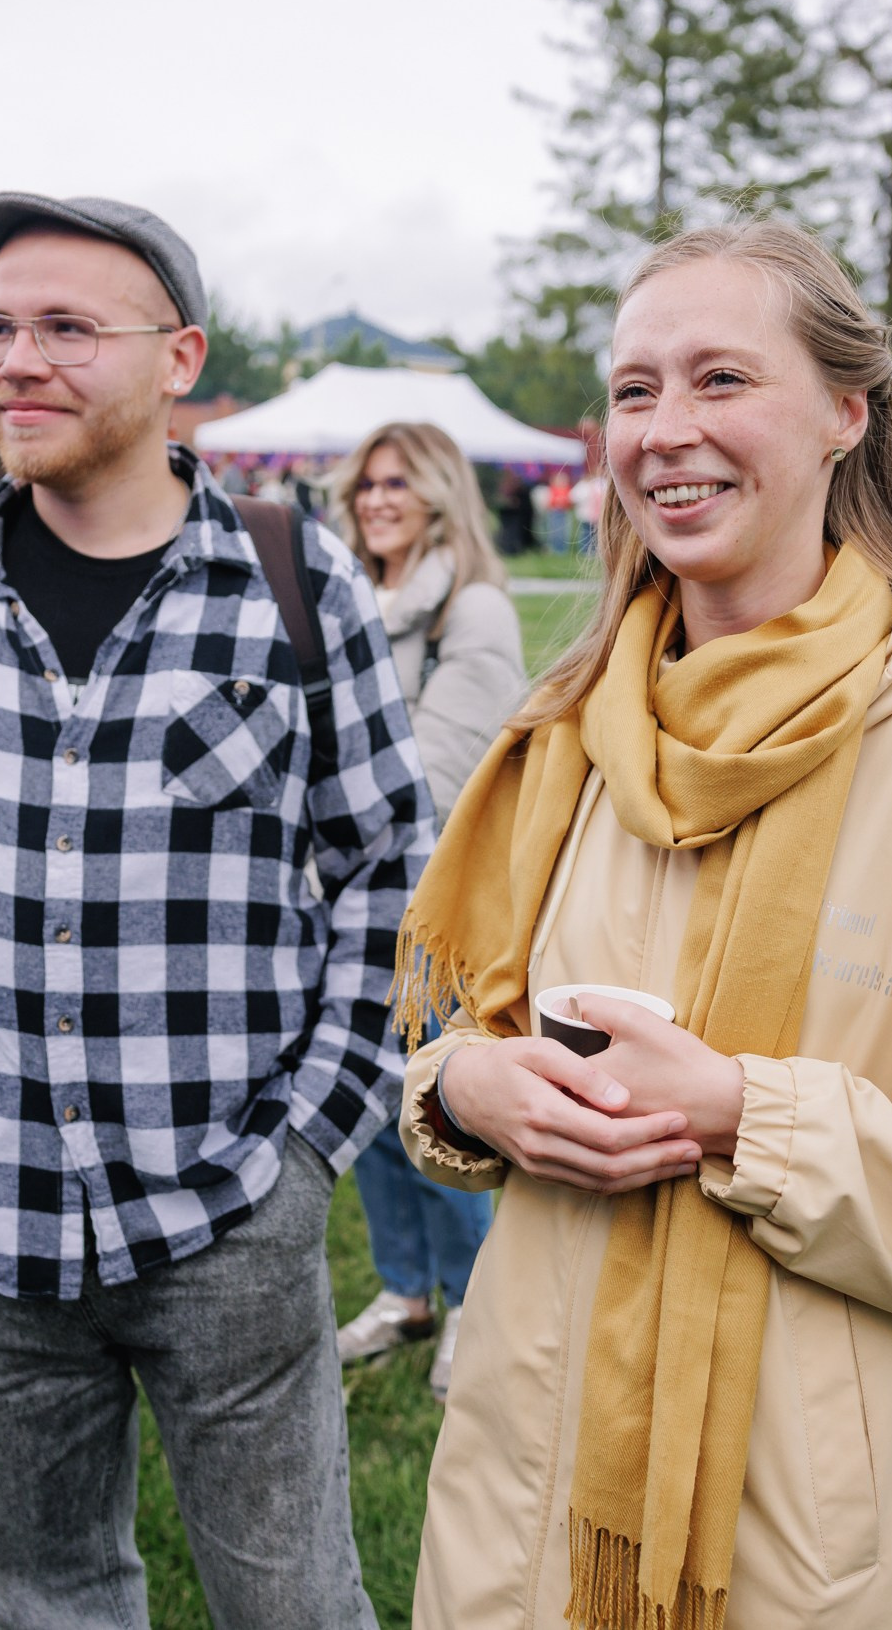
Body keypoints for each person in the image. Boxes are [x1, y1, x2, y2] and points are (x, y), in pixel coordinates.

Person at [392, 219, 892, 1629]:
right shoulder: (569, 724)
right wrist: (471, 1085)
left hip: (809, 1542)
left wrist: (743, 1115)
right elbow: (460, 1050)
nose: (666, 431)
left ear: (846, 414)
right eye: (634, 390)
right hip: (525, 1494)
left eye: (722, 380)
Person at [0, 193, 427, 1630]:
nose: (17, 360)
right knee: (46, 1600)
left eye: (67, 326)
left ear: (179, 357)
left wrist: (311, 1141)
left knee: (295, 1605)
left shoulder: (297, 587)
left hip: (225, 1216)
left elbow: (390, 874)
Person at [331, 420, 526, 1399]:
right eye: (366, 483)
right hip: (344, 899)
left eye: (398, 482)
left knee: (434, 1102)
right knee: (365, 1107)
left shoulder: (471, 609)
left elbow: (433, 773)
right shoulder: (349, 597)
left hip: (432, 906)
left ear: (441, 493)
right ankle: (405, 1290)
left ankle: (470, 1300)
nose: (377, 499)